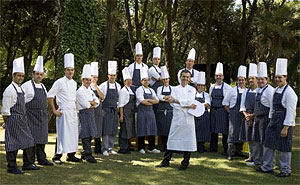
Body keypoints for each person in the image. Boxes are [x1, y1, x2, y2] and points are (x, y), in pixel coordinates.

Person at [257, 58, 298, 177]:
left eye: (280, 77)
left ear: (286, 77)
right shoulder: (275, 90)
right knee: (269, 144)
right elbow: (272, 107)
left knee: (284, 147)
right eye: (276, 77)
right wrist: (270, 119)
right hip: (274, 121)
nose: (277, 79)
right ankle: (267, 166)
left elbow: (291, 112)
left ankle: (286, 170)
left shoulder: (290, 93)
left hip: (284, 122)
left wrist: (285, 128)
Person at [2, 57, 39, 174]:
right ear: (13, 76)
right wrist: (7, 121)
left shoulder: (19, 88)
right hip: (13, 119)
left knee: (29, 141)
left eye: (22, 76)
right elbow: (5, 110)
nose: (21, 78)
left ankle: (27, 164)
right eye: (19, 76)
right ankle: (11, 167)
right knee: (12, 144)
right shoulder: (9, 90)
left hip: (22, 119)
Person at [156, 70, 197, 170]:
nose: (185, 79)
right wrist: (185, 105)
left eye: (187, 77)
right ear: (180, 77)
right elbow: (171, 103)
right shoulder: (174, 89)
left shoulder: (192, 90)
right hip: (177, 117)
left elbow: (190, 101)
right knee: (172, 139)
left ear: (189, 78)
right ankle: (166, 161)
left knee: (188, 140)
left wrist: (177, 101)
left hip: (188, 118)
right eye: (183, 76)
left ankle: (185, 163)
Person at [48, 53, 81, 164]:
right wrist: (54, 110)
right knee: (62, 133)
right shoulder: (59, 82)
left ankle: (71, 155)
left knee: (73, 134)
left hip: (73, 112)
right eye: (68, 70)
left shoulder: (75, 83)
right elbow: (50, 95)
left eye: (72, 70)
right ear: (64, 71)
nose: (70, 72)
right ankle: (57, 156)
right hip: (63, 111)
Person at [22, 56, 53, 166]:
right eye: (37, 74)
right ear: (33, 74)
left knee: (42, 139)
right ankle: (28, 162)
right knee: (30, 140)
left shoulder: (43, 86)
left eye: (41, 74)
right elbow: (21, 103)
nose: (39, 76)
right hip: (31, 116)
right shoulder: (26, 86)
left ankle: (42, 159)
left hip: (42, 117)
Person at [251, 62, 274, 166]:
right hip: (257, 119)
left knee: (265, 142)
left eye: (262, 79)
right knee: (256, 140)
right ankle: (257, 161)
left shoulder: (270, 91)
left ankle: (268, 162)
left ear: (267, 80)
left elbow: (272, 107)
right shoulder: (258, 89)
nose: (260, 81)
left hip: (265, 119)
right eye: (259, 79)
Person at [223, 65, 247, 161]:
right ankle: (230, 153)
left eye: (243, 80)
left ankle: (239, 151)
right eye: (239, 80)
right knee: (232, 133)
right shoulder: (232, 91)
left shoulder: (247, 91)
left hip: (243, 115)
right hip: (233, 115)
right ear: (237, 81)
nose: (241, 81)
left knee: (242, 132)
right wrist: (230, 112)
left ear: (245, 81)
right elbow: (225, 103)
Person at [76, 64, 99, 163]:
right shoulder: (80, 91)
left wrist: (91, 103)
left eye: (89, 80)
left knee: (91, 134)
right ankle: (89, 155)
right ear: (82, 80)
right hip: (83, 114)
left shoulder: (90, 90)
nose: (88, 82)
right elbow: (86, 105)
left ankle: (85, 153)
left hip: (91, 113)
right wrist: (91, 103)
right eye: (86, 80)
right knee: (85, 134)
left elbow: (97, 102)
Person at [99, 60, 121, 156]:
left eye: (114, 75)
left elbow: (119, 98)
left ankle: (111, 147)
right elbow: (99, 96)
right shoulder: (103, 85)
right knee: (106, 130)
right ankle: (104, 148)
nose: (112, 77)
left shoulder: (118, 86)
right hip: (106, 110)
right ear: (108, 76)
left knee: (113, 129)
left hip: (114, 110)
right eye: (111, 75)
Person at [136, 68, 160, 154]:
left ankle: (151, 147)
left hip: (150, 112)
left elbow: (157, 100)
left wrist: (148, 101)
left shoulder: (151, 90)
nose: (146, 82)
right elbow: (142, 101)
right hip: (142, 112)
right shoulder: (139, 90)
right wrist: (151, 101)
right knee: (142, 129)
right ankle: (141, 148)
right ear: (141, 81)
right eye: (144, 80)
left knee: (152, 129)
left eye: (147, 80)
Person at [209, 62, 231, 155]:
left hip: (222, 110)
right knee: (213, 130)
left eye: (220, 76)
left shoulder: (227, 87)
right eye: (217, 75)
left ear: (223, 77)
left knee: (224, 130)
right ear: (215, 77)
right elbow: (210, 98)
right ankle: (213, 147)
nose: (218, 77)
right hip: (213, 110)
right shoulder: (212, 87)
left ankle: (226, 149)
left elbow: (229, 100)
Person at [240, 63, 258, 165]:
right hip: (247, 117)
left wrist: (253, 116)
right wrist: (246, 115)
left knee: (256, 138)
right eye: (250, 78)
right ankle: (251, 156)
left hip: (257, 117)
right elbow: (242, 106)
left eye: (253, 78)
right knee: (249, 138)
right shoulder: (245, 92)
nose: (251, 80)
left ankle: (258, 157)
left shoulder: (260, 91)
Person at [118, 67, 136, 154]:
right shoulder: (123, 91)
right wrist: (121, 115)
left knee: (129, 130)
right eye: (127, 80)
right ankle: (123, 148)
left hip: (131, 113)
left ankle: (128, 146)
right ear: (124, 82)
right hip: (125, 112)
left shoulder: (131, 90)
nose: (129, 82)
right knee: (124, 130)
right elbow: (121, 104)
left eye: (130, 80)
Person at [155, 66, 173, 151]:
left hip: (170, 110)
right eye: (164, 79)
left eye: (167, 79)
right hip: (161, 110)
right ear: (162, 80)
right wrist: (168, 97)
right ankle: (164, 145)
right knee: (162, 128)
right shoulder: (159, 88)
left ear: (169, 79)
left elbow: (173, 98)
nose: (165, 81)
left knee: (170, 128)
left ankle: (169, 146)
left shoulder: (173, 88)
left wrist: (164, 97)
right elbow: (159, 98)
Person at [90, 62, 105, 154]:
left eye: (96, 77)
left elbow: (102, 97)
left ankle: (98, 148)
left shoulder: (99, 87)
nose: (95, 79)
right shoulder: (87, 88)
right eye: (93, 77)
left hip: (98, 111)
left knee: (98, 129)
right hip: (90, 110)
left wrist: (96, 87)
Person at [194, 71, 211, 153]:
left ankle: (201, 147)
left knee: (203, 131)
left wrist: (198, 105)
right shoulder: (193, 94)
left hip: (204, 115)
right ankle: (194, 146)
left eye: (202, 86)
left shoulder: (207, 95)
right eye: (199, 85)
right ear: (197, 86)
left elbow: (207, 104)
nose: (200, 87)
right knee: (195, 130)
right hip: (194, 115)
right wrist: (201, 104)